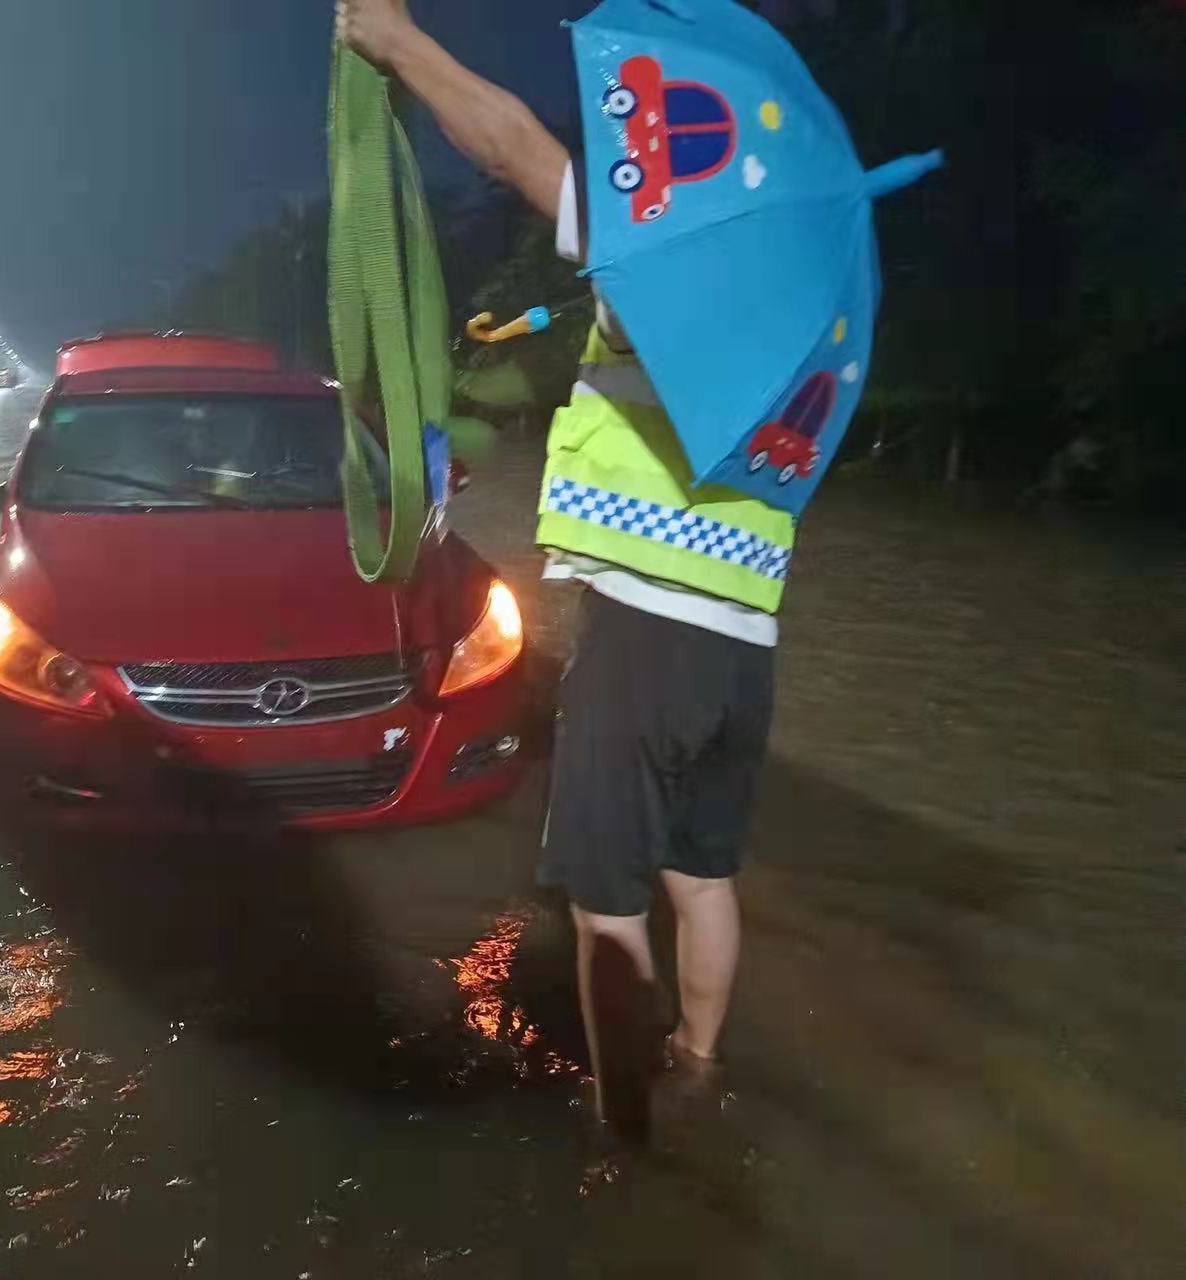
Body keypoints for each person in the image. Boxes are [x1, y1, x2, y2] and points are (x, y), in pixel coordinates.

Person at [338, 0, 794, 1129]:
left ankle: (623, 1116)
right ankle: (694, 1059)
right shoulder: (783, 311)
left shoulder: (674, 266)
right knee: (702, 875)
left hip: (645, 639)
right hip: (743, 647)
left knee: (604, 906)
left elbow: (511, 145)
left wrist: (396, 43)